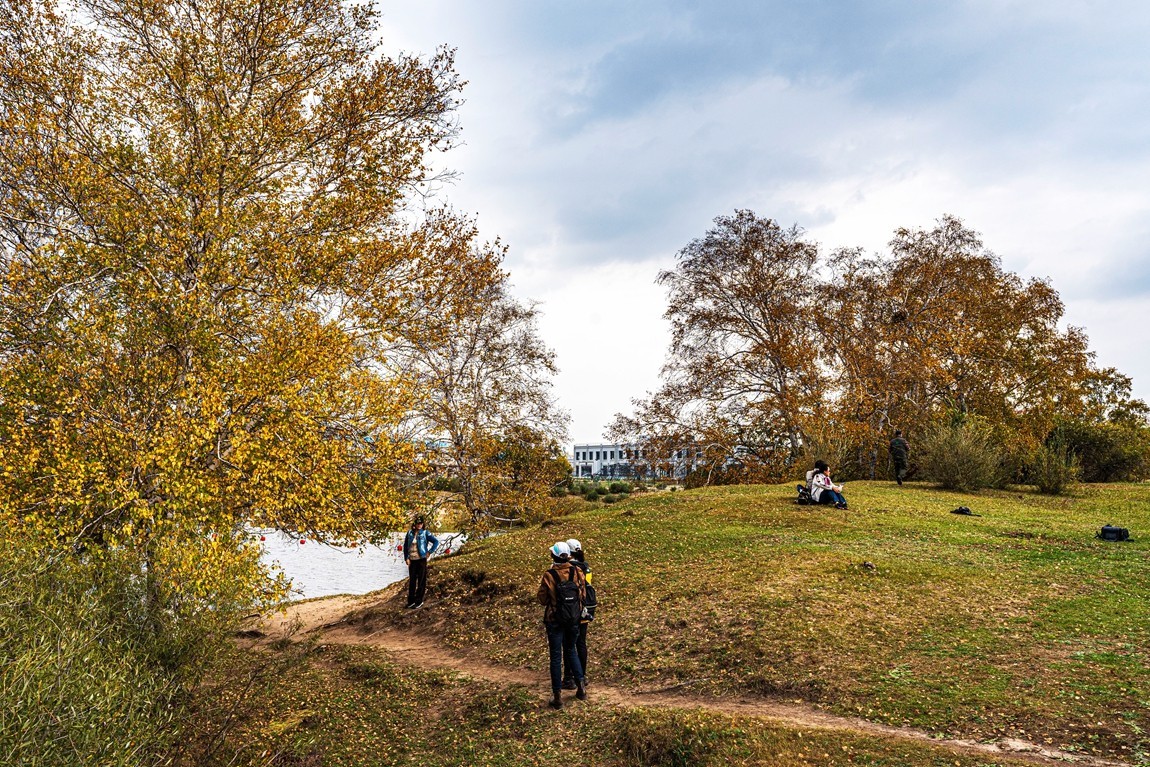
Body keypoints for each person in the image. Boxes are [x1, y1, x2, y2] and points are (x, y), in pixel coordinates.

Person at [537, 541, 586, 709]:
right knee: (571, 649)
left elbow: (542, 600)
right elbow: (583, 594)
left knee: (556, 656)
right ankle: (581, 687)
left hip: (554, 620)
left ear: (554, 556)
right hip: (573, 618)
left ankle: (557, 695)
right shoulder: (577, 571)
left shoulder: (549, 575)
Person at [562, 538, 592, 690]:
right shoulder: (586, 567)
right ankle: (583, 675)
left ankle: (569, 677)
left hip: (572, 610)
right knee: (581, 642)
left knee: (569, 644)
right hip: (586, 609)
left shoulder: (569, 568)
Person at [403, 517, 439, 609]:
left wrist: (430, 551)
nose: (419, 525)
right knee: (412, 581)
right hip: (412, 560)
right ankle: (411, 601)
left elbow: (436, 542)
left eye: (421, 523)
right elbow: (405, 546)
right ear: (414, 524)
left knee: (421, 581)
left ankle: (419, 601)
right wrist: (406, 558)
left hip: (421, 559)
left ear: (423, 524)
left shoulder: (425, 533)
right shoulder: (409, 533)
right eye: (418, 523)